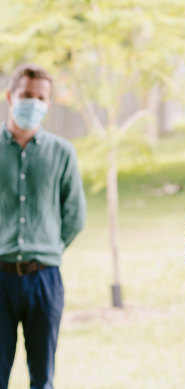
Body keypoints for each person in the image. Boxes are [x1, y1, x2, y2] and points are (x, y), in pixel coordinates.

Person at [0, 64, 86, 389]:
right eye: (26, 95)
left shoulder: (62, 152)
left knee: (42, 378)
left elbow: (74, 215)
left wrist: (46, 247)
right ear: (10, 96)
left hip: (44, 279)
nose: (32, 102)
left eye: (40, 97)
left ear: (47, 104)